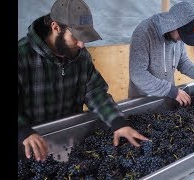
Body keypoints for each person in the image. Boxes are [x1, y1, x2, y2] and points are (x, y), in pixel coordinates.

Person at [18, 0, 148, 161]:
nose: (81, 44)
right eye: (76, 37)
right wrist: (23, 131)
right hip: (31, 147)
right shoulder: (22, 55)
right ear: (55, 27)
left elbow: (96, 93)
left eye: (84, 37)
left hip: (69, 143)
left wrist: (118, 122)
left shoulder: (81, 56)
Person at [129, 1, 194, 106]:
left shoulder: (177, 36)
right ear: (174, 25)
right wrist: (171, 90)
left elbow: (183, 62)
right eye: (183, 35)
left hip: (168, 97)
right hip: (143, 101)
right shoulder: (143, 33)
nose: (182, 40)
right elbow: (138, 74)